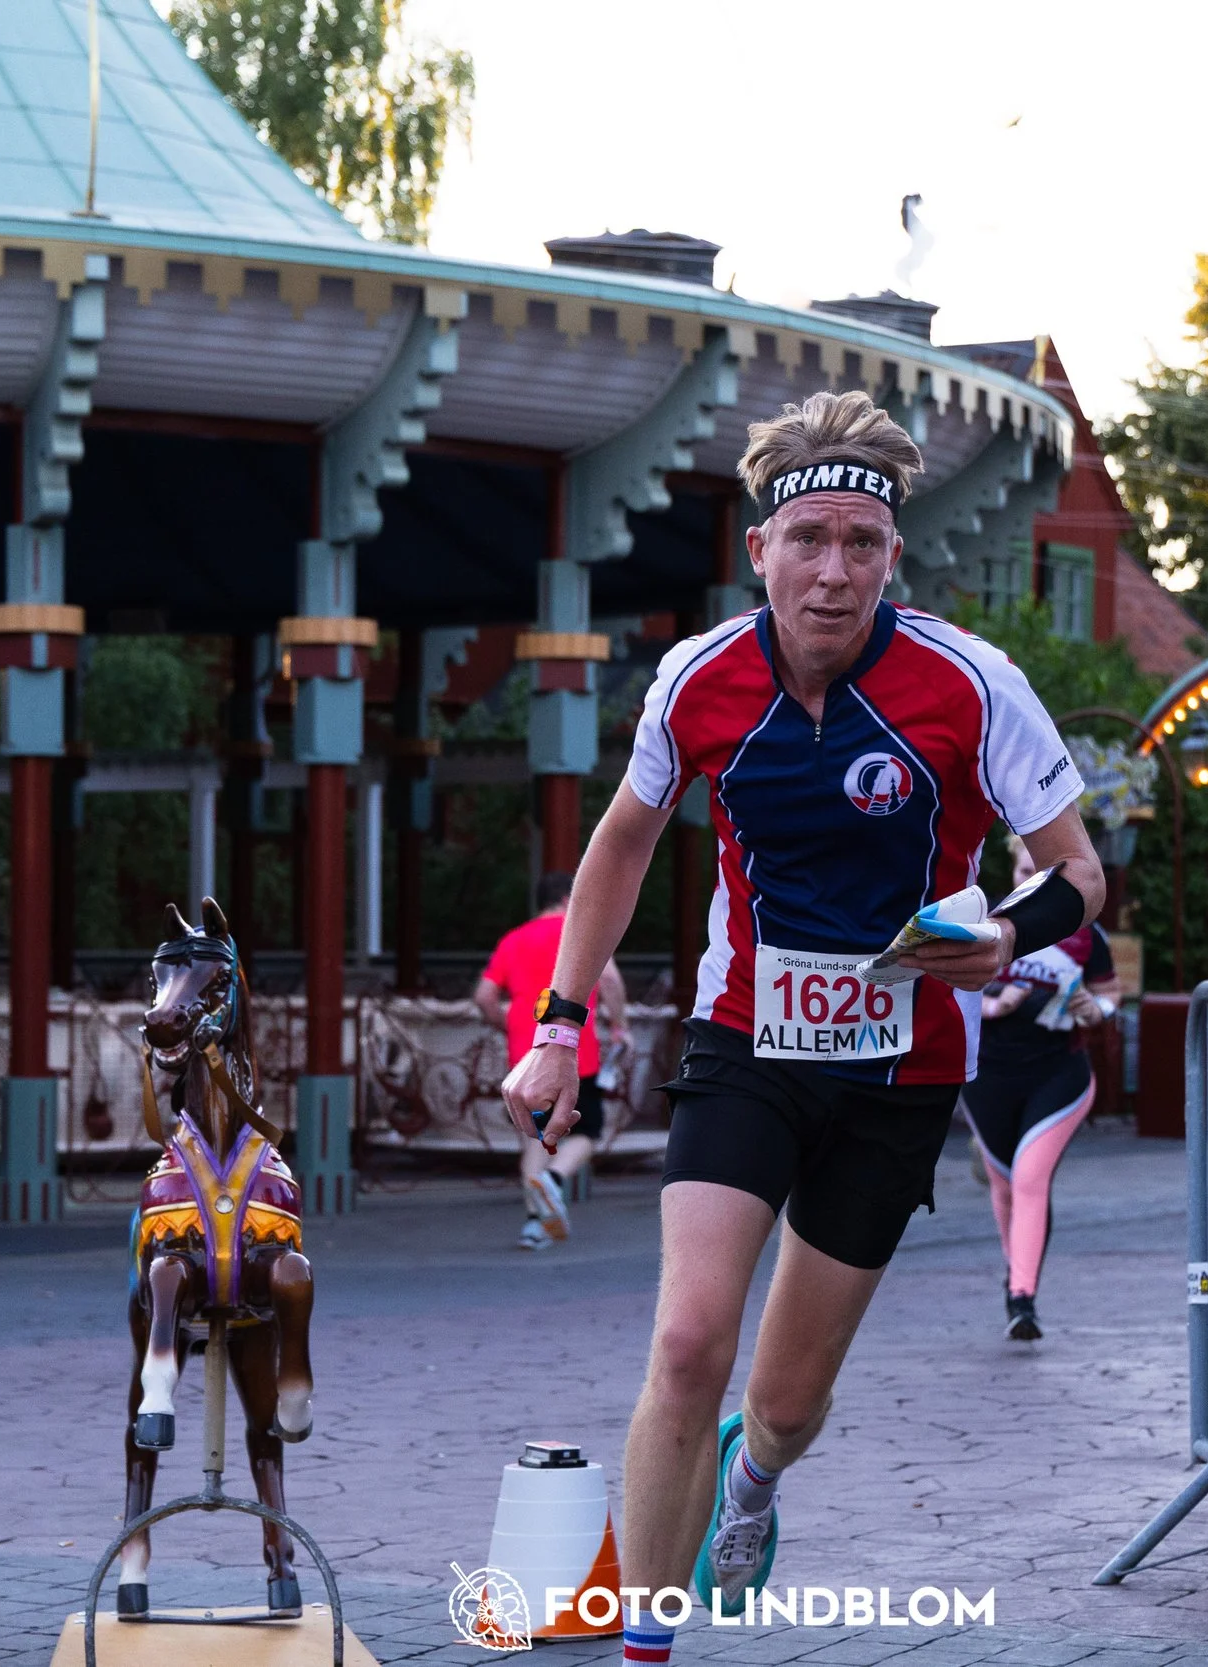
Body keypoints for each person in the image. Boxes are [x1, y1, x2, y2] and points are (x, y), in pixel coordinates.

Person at [498, 389, 1103, 1664]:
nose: (834, 571)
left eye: (862, 544)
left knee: (784, 1399)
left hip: (900, 1070)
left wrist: (1004, 935)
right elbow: (620, 844)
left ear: (893, 556)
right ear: (760, 548)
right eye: (810, 539)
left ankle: (755, 1476)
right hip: (745, 1042)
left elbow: (1077, 872)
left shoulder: (970, 683)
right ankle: (647, 1646)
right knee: (685, 1341)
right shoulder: (698, 678)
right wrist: (558, 1021)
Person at [964, 836, 1122, 1340]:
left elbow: (1110, 994)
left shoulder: (1085, 933)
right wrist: (995, 1005)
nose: (1033, 882)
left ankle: (1022, 1296)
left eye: (1046, 873)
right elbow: (947, 989)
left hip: (1059, 1073)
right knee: (1004, 1184)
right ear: (1010, 873)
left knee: (1030, 1177)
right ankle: (1017, 1277)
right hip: (986, 1075)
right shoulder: (983, 922)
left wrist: (1096, 1009)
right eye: (1024, 871)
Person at [473, 871, 630, 1249]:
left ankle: (534, 1224)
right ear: (566, 899)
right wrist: (619, 1027)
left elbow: (484, 997)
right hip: (574, 1050)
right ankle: (555, 1178)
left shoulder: (513, 939)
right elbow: (609, 980)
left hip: (525, 1054)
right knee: (588, 1131)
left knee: (533, 1136)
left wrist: (507, 1025)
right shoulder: (581, 932)